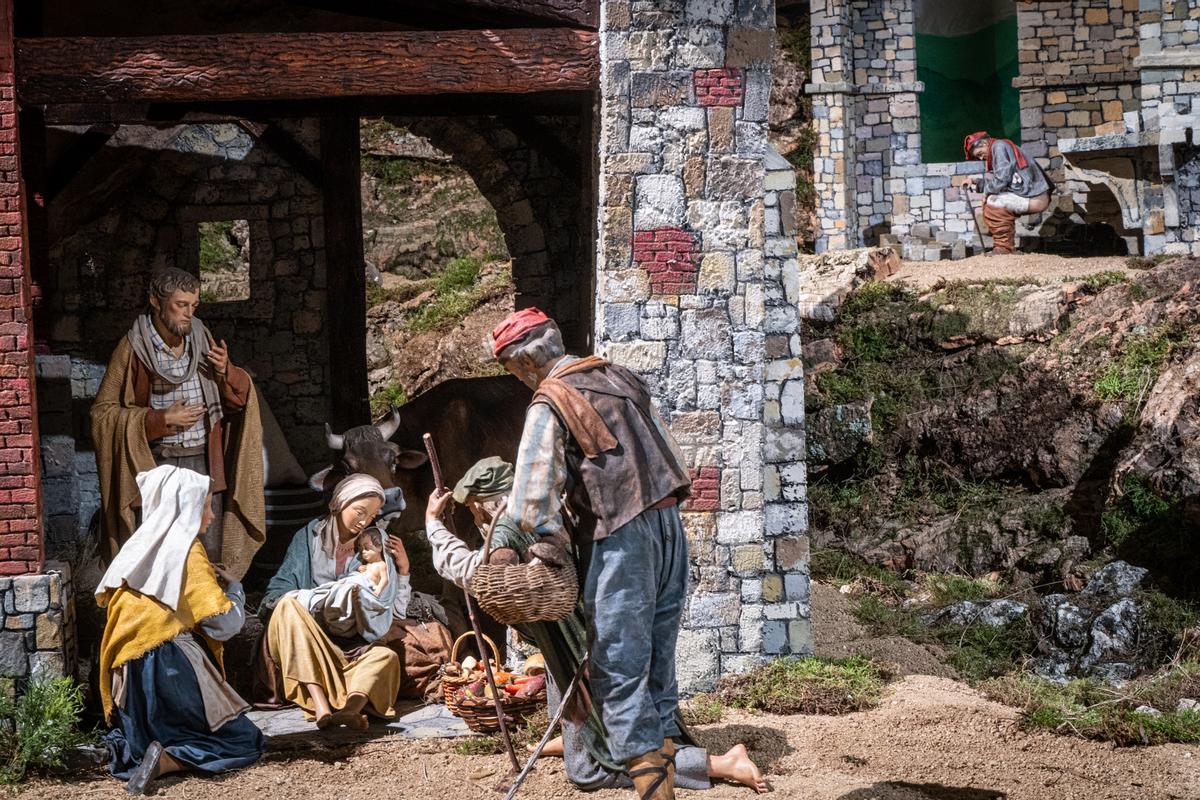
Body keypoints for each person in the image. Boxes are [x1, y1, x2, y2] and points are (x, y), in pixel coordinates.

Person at [424, 457, 769, 794]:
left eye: (472, 507)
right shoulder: (551, 508)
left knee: (589, 770)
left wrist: (434, 527)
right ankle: (575, 739)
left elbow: (472, 571)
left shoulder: (505, 528)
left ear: (482, 505)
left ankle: (719, 763)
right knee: (573, 694)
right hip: (587, 627)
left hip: (577, 641)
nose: (474, 515)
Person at [487, 307, 702, 800]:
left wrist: (539, 546)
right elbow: (671, 455)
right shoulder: (618, 375)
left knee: (618, 671)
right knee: (656, 669)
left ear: (521, 365)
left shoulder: (550, 400)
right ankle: (665, 777)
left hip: (621, 538)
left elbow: (530, 501)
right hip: (669, 527)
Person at [95, 465, 264, 795]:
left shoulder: (136, 550)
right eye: (206, 506)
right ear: (184, 506)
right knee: (244, 740)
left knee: (139, 743)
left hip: (129, 679)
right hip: (169, 670)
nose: (212, 516)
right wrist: (235, 591)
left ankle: (145, 750)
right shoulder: (187, 552)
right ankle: (169, 760)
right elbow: (225, 624)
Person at [91, 267, 265, 574]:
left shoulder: (202, 338)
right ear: (156, 302)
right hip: (158, 466)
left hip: (202, 461)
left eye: (194, 306)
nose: (189, 314)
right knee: (160, 551)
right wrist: (159, 420)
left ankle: (209, 618)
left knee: (207, 551)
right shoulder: (133, 348)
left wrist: (227, 373)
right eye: (180, 305)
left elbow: (237, 400)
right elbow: (103, 413)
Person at [255, 473, 452, 725]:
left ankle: (351, 707)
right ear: (338, 503)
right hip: (308, 632)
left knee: (386, 658)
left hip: (352, 642)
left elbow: (394, 611)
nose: (364, 521)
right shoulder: (308, 539)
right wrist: (320, 600)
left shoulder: (375, 545)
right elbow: (276, 594)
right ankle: (320, 704)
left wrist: (402, 571)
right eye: (359, 511)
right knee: (288, 607)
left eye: (371, 516)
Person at [963, 131, 1052, 255]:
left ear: (984, 143)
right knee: (993, 200)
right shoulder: (1000, 146)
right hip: (1030, 194)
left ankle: (1004, 248)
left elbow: (1002, 179)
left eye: (979, 153)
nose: (980, 157)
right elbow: (1006, 181)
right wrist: (975, 181)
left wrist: (986, 193)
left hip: (1034, 197)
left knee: (993, 203)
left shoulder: (998, 146)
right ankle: (1007, 247)